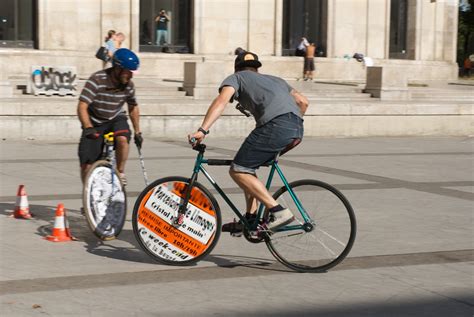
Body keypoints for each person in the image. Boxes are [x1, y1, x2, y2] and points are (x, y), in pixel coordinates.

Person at [188, 51, 309, 235]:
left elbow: (221, 101)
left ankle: (279, 212)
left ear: (237, 67)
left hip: (275, 126)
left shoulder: (236, 78)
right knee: (247, 168)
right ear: (257, 68)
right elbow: (303, 102)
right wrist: (290, 124)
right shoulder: (276, 80)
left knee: (238, 169)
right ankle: (251, 219)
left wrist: (202, 130)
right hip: (296, 128)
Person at [77, 48, 143, 186]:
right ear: (118, 68)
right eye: (128, 72)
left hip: (115, 118)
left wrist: (137, 131)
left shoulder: (129, 86)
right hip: (94, 121)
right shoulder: (97, 79)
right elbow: (82, 106)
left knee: (123, 139)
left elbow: (133, 107)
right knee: (87, 166)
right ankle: (88, 195)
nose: (131, 76)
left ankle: (120, 172)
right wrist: (88, 127)